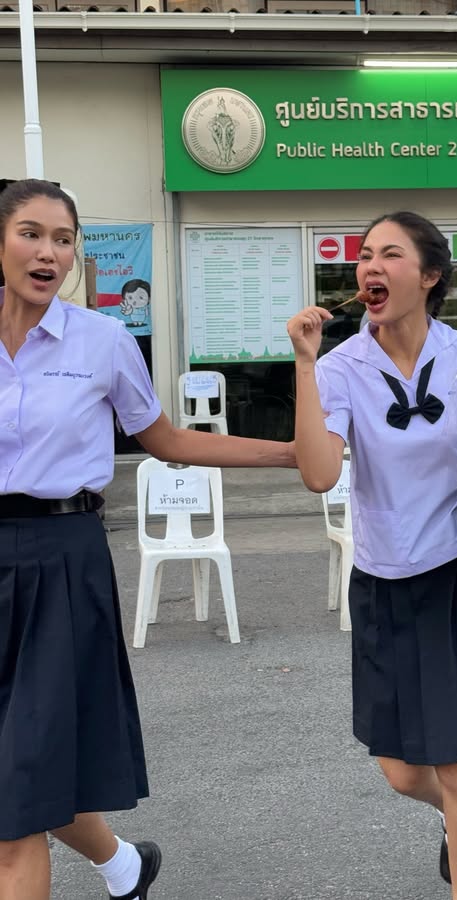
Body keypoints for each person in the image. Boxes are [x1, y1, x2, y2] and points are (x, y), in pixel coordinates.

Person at [0, 179, 295, 900]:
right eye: (31, 233)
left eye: (63, 239)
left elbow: (162, 437)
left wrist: (288, 453)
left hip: (59, 562)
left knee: (16, 804)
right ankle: (125, 867)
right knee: (25, 773)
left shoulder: (101, 340)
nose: (49, 252)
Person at [287, 211, 457, 900]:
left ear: (429, 276)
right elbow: (316, 472)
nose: (370, 266)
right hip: (384, 581)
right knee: (399, 769)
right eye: (364, 255)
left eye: (390, 254)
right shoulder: (340, 366)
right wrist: (306, 364)